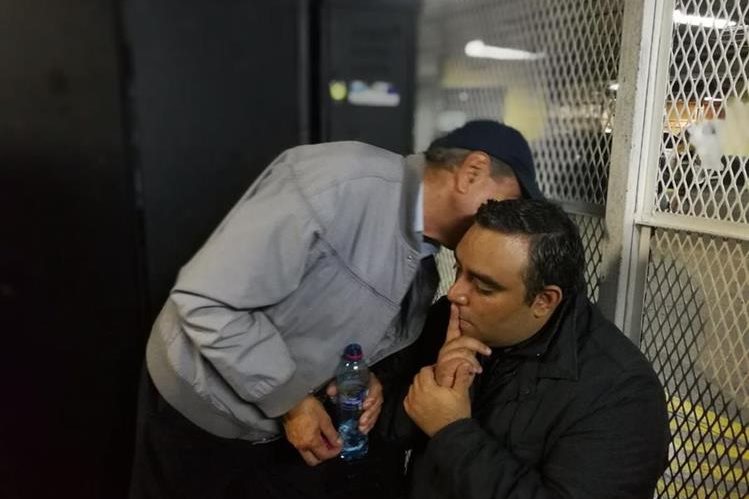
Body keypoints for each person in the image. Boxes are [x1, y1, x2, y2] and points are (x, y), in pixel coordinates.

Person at [129, 120, 544, 498]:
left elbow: (343, 331)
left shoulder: (424, 265)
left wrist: (362, 379)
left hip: (274, 429)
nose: (500, 225)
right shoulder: (337, 183)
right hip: (198, 412)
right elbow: (207, 303)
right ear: (471, 171)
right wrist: (292, 402)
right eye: (501, 206)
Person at [398, 198, 670, 499]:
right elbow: (389, 432)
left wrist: (452, 432)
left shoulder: (621, 396)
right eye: (458, 269)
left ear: (544, 301)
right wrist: (432, 384)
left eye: (484, 287)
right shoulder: (453, 320)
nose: (455, 292)